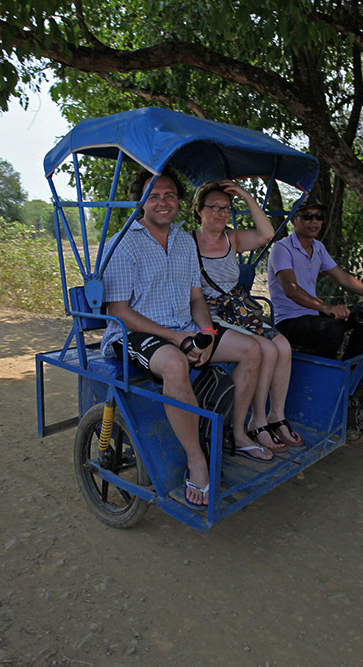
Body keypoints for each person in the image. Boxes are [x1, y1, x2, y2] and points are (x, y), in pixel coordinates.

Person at [100, 169, 272, 510]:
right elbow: (119, 310)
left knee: (252, 349)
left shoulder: (182, 241)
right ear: (140, 201)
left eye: (169, 195)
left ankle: (236, 433)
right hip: (132, 333)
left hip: (184, 328)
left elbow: (196, 298)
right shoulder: (122, 243)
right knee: (177, 365)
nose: (163, 202)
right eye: (154, 195)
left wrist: (206, 334)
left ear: (179, 201)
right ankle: (197, 461)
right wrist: (178, 338)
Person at [191, 180, 304, 451]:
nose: (220, 213)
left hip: (238, 311)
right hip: (209, 314)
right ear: (199, 211)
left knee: (283, 347)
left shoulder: (232, 238)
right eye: (214, 207)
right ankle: (257, 420)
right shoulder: (188, 242)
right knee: (266, 349)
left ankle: (276, 415)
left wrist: (244, 194)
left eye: (226, 208)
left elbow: (267, 234)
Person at [268, 198, 363, 359]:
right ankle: (322, 374)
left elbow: (343, 278)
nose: (314, 221)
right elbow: (291, 289)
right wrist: (327, 308)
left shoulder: (318, 247)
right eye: (307, 216)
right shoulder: (282, 248)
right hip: (288, 320)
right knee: (333, 328)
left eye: (319, 217)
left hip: (313, 315)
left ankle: (349, 369)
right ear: (293, 220)